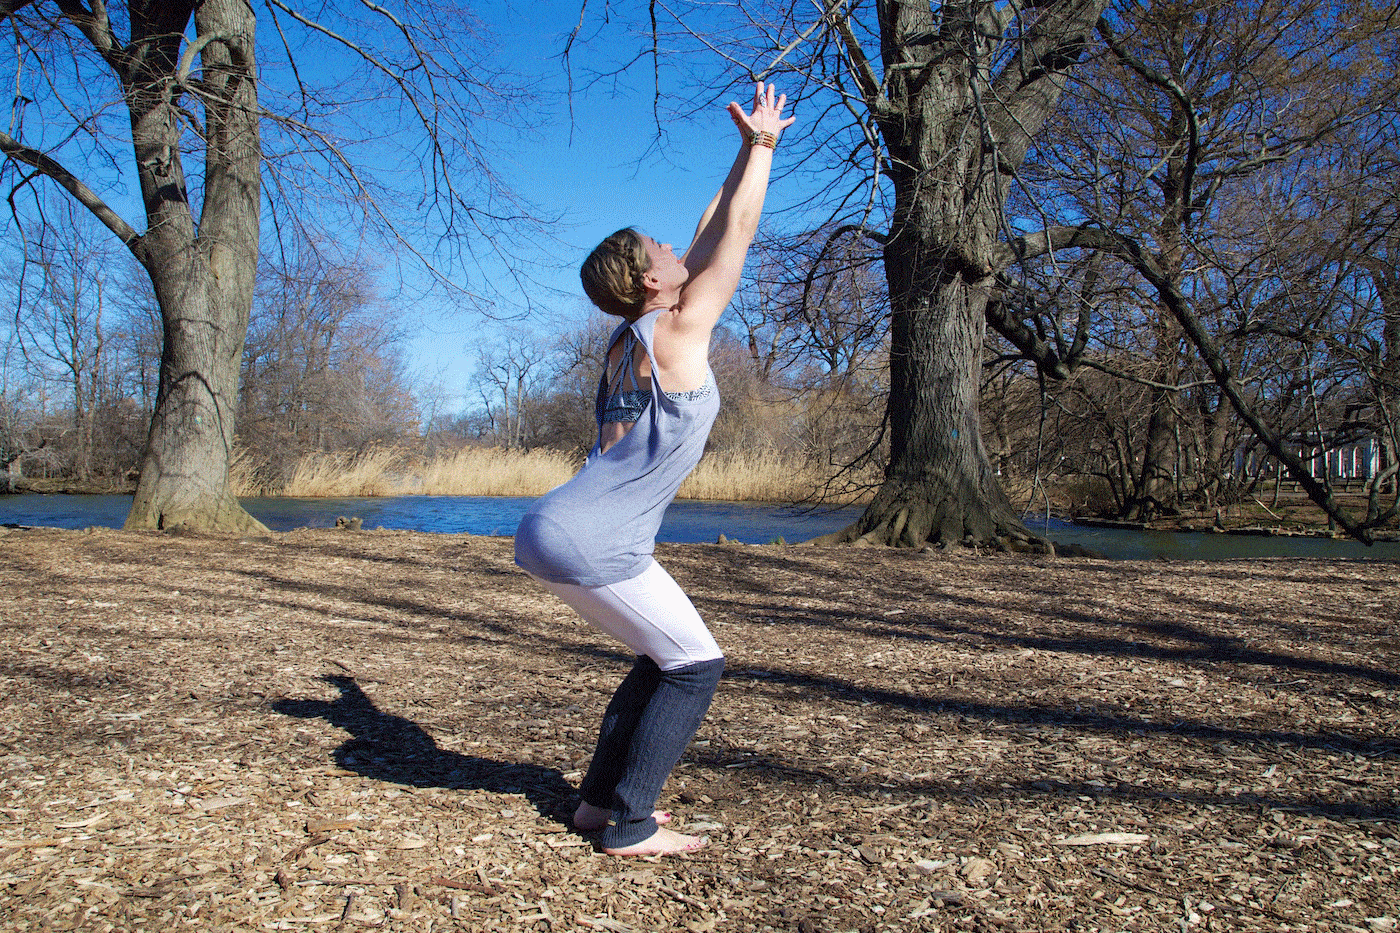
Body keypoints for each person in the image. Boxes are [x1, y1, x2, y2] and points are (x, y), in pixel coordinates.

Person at [514, 81, 795, 857]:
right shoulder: (677, 329)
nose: (677, 249)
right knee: (695, 664)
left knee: (660, 654)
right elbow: (736, 234)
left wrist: (744, 149)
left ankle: (597, 804)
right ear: (649, 281)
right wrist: (765, 149)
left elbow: (710, 229)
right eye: (662, 249)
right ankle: (630, 824)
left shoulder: (627, 338)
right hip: (592, 536)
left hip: (555, 525)